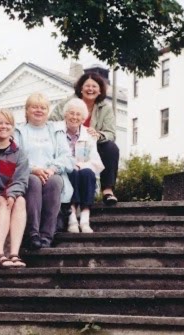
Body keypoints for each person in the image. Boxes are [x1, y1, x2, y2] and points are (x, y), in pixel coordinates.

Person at [49, 72, 119, 206]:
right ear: (81, 88)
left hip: (91, 146)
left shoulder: (106, 108)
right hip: (67, 143)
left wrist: (98, 135)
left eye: (94, 86)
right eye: (87, 86)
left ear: (100, 91)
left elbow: (111, 133)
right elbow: (51, 122)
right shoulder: (67, 103)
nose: (90, 89)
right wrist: (65, 129)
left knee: (111, 148)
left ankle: (107, 190)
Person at [15, 93, 73, 249]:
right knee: (33, 182)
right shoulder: (19, 131)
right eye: (34, 107)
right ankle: (32, 234)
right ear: (27, 110)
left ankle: (47, 236)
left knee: (54, 182)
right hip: (28, 173)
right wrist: (33, 169)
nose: (39, 110)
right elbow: (15, 156)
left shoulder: (56, 130)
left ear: (48, 111)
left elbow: (66, 156)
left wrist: (52, 169)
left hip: (51, 173)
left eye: (43, 108)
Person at [0, 109, 29, 267]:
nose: (3, 126)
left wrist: (12, 194)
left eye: (8, 123)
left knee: (20, 201)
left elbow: (21, 179)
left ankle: (14, 254)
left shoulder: (18, 153)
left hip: (6, 192)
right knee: (3, 202)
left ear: (13, 127)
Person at [62, 98, 104, 233]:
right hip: (64, 171)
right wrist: (70, 165)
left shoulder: (89, 135)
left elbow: (96, 162)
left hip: (83, 171)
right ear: (65, 115)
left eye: (78, 114)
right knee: (72, 173)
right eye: (71, 113)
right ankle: (72, 218)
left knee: (87, 173)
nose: (74, 117)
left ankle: (85, 219)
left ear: (83, 118)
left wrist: (81, 165)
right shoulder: (58, 132)